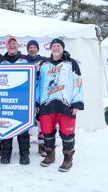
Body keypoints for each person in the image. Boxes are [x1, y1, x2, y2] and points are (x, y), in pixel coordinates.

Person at [37, 38, 84, 172]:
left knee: (67, 133)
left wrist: (77, 103)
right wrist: (37, 101)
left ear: (62, 48)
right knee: (47, 131)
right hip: (47, 104)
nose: (56, 48)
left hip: (66, 104)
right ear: (50, 48)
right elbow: (38, 84)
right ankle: (50, 155)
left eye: (58, 46)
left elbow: (78, 82)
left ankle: (68, 158)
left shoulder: (71, 63)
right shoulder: (44, 64)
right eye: (54, 46)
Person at [0, 36, 30, 164]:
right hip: (6, 99)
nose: (12, 46)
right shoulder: (1, 60)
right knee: (6, 126)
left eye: (14, 43)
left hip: (22, 99)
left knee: (22, 127)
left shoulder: (25, 59)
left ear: (18, 46)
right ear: (6, 46)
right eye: (9, 44)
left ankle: (24, 154)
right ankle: (6, 153)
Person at [26, 40, 48, 157]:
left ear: (38, 49)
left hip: (40, 96)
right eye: (30, 47)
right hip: (26, 95)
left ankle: (42, 146)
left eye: (34, 47)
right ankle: (25, 144)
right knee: (26, 121)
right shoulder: (24, 61)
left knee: (41, 122)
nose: (32, 49)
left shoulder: (45, 60)